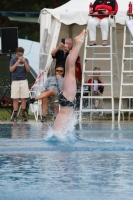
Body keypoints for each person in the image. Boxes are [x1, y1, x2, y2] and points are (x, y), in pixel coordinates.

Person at [53, 29, 88, 132]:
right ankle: (79, 42)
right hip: (66, 97)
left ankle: (79, 42)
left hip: (66, 96)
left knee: (70, 69)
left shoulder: (68, 56)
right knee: (70, 69)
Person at [10, 47, 30, 122]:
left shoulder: (26, 60)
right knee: (15, 98)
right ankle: (15, 115)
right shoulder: (13, 60)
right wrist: (17, 62)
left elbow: (28, 70)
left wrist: (24, 62)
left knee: (23, 98)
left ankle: (23, 115)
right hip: (15, 80)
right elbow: (11, 70)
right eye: (18, 54)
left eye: (21, 54)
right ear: (16, 54)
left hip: (23, 80)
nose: (20, 55)